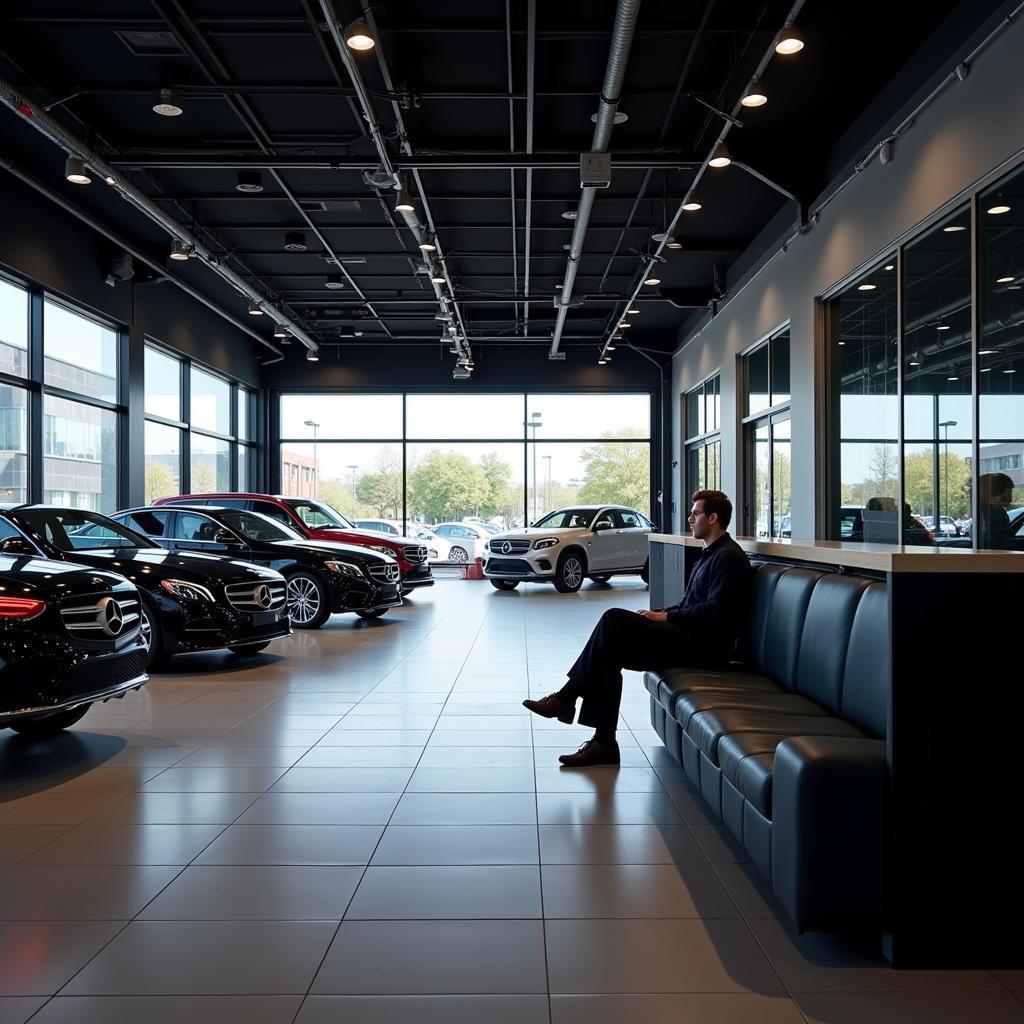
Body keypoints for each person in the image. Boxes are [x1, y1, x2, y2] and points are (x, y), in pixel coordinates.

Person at [523, 489, 753, 767]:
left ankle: (568, 698)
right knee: (610, 651)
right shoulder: (711, 554)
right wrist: (661, 613)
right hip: (691, 637)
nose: (690, 518)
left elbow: (716, 613)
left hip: (706, 648)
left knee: (613, 620)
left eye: (695, 513)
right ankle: (603, 741)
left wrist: (665, 619)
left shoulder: (728, 557)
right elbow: (690, 604)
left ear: (713, 518)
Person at [977, 472, 1014, 549]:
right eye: (1009, 491)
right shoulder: (989, 513)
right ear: (999, 492)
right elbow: (999, 539)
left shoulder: (998, 510)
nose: (1011, 495)